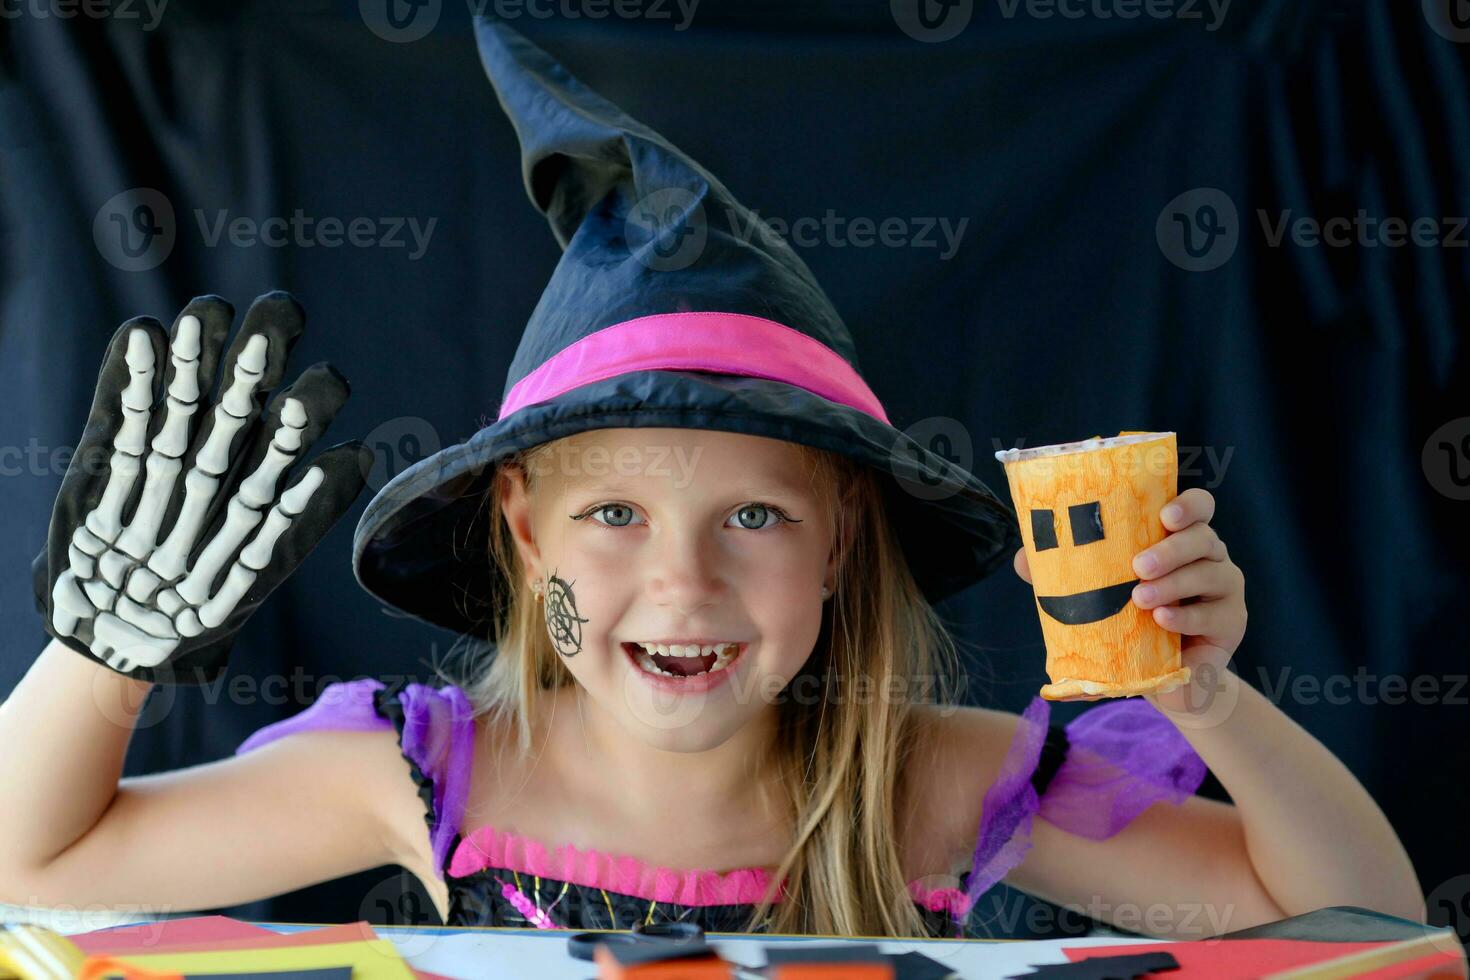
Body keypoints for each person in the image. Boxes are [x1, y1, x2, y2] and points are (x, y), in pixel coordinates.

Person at [0, 18, 1422, 941]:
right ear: (522, 533)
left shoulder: (932, 783)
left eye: (755, 516)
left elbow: (1358, 924)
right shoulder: (422, 777)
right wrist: (100, 659)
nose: (682, 582)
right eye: (613, 514)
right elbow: (32, 878)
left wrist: (1201, 698)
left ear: (843, 540)